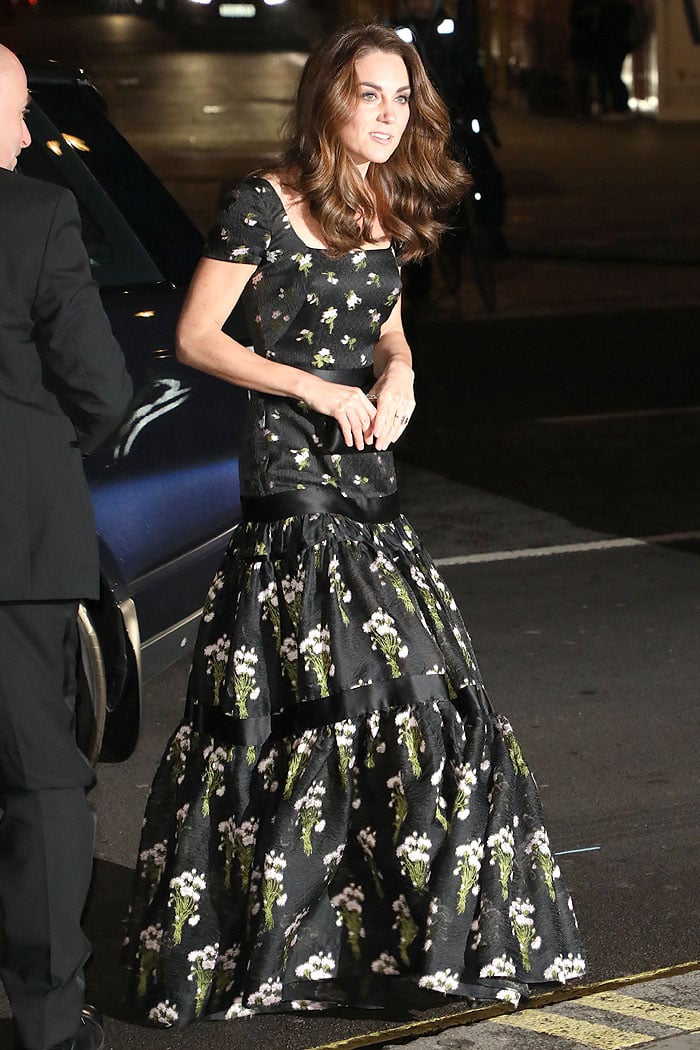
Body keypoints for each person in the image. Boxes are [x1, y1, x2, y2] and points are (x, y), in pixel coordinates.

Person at [124, 23, 585, 1027]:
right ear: (328, 100)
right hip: (292, 475)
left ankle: (391, 935)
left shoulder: (380, 203)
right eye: (369, 95)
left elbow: (387, 326)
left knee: (422, 699)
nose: (387, 115)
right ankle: (289, 943)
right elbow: (200, 336)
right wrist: (312, 392)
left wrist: (398, 375)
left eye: (400, 98)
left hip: (368, 467)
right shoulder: (262, 201)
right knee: (321, 699)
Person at [0, 44, 133, 1050]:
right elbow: (100, 388)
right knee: (41, 783)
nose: (26, 128)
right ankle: (48, 1023)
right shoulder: (37, 213)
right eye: (15, 111)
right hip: (16, 546)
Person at [389, 0, 507, 299]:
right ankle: (419, 281)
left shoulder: (450, 29)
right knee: (414, 200)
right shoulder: (397, 32)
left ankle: (484, 238)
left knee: (482, 179)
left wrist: (477, 118)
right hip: (414, 132)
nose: (419, 5)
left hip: (454, 126)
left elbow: (470, 76)